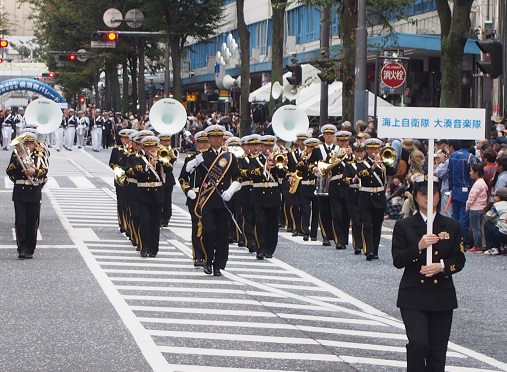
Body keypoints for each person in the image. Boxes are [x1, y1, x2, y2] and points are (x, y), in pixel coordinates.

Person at [392, 175, 466, 372]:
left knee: (437, 351)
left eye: (432, 194)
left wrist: (441, 267)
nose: (428, 198)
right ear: (415, 197)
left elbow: (459, 260)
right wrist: (419, 246)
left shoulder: (451, 226)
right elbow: (398, 260)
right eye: (423, 194)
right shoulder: (404, 226)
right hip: (413, 294)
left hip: (441, 295)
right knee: (418, 342)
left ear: (439, 196)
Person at [193, 125, 242, 276]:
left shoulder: (230, 157)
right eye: (213, 137)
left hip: (224, 201)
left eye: (219, 137)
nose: (216, 139)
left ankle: (218, 265)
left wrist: (231, 190)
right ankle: (208, 261)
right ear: (208, 139)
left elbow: (238, 177)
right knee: (208, 231)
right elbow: (193, 177)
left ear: (223, 139)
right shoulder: (202, 157)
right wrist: (194, 163)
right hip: (208, 201)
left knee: (222, 234)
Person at [6, 132, 49, 259]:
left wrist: (34, 172)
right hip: (20, 190)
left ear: (35, 143)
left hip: (34, 190)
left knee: (32, 221)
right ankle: (22, 249)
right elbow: (9, 171)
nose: (28, 146)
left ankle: (30, 248)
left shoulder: (40, 154)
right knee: (20, 221)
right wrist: (18, 162)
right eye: (26, 143)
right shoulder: (17, 153)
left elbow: (45, 171)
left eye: (31, 143)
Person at [249, 135, 286, 259]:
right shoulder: (254, 159)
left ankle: (270, 249)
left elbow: (283, 175)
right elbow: (251, 174)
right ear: (261, 146)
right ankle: (260, 248)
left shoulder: (278, 158)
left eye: (270, 146)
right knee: (260, 221)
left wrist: (276, 163)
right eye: (265, 146)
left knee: (272, 223)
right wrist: (264, 167)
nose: (268, 148)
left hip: (273, 194)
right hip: (259, 193)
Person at [465, 163, 489, 253]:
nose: (470, 173)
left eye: (471, 171)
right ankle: (481, 244)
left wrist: (467, 206)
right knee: (479, 227)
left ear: (476, 173)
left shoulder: (477, 184)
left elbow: (472, 197)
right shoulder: (483, 182)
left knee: (476, 228)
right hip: (481, 207)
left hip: (475, 208)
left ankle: (477, 246)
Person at [483, 186, 507, 256]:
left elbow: (488, 217)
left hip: (503, 234)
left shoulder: (497, 205)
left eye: (494, 196)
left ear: (499, 197)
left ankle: (493, 248)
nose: (493, 198)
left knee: (488, 224)